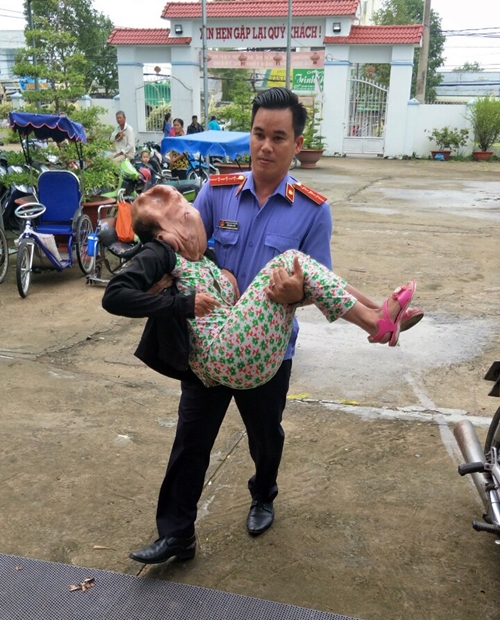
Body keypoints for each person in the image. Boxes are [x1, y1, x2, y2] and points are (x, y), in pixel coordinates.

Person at [102, 88, 423, 565]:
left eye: (278, 137)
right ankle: (176, 534)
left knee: (265, 437)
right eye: (258, 134)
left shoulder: (312, 209)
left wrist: (294, 296)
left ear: (297, 143)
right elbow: (186, 253)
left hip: (270, 347)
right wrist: (168, 290)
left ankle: (263, 495)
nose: (265, 147)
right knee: (190, 443)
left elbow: (321, 283)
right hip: (209, 343)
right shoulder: (216, 192)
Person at [116, 185, 418, 388]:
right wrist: (180, 304)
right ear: (164, 236)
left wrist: (232, 281)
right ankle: (375, 321)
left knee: (301, 267)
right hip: (220, 355)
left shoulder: (206, 261)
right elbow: (115, 295)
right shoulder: (161, 253)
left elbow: (321, 281)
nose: (194, 216)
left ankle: (379, 313)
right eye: (184, 216)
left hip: (254, 355)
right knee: (288, 260)